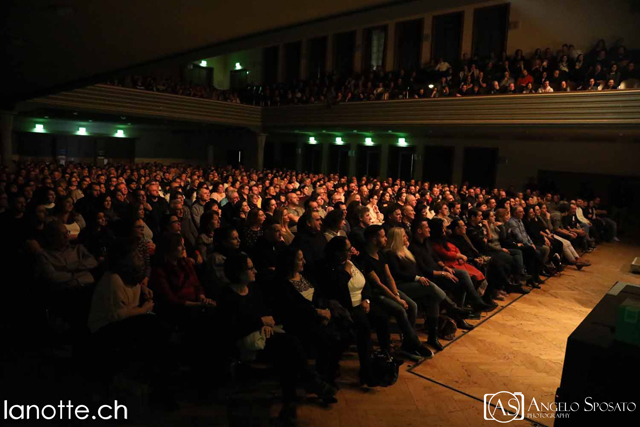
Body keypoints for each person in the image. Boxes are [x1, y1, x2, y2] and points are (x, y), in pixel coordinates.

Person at [217, 253, 337, 422]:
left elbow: (266, 311)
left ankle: (294, 399)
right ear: (238, 272)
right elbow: (231, 327)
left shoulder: (253, 288)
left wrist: (265, 324)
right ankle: (308, 383)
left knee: (288, 353)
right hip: (244, 343)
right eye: (250, 268)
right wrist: (260, 322)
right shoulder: (227, 295)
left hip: (263, 335)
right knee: (290, 345)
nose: (255, 271)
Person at [386, 227, 474, 350]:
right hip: (400, 286)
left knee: (433, 299)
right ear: (397, 238)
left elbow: (417, 269)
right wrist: (417, 278)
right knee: (431, 287)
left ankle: (433, 337)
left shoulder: (406, 251)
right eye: (404, 236)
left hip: (413, 282)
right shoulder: (391, 254)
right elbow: (397, 274)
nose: (407, 237)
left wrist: (420, 277)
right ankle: (453, 308)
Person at [319, 237, 391, 386]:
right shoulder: (328, 267)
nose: (351, 252)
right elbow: (336, 289)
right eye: (348, 249)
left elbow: (365, 283)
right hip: (346, 307)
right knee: (363, 328)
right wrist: (346, 272)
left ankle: (385, 356)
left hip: (362, 302)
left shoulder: (352, 262)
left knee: (382, 317)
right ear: (338, 252)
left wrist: (367, 300)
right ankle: (367, 371)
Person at [360, 225, 433, 360]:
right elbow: (378, 284)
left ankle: (408, 343)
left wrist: (397, 295)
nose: (386, 239)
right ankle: (415, 343)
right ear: (373, 239)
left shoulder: (381, 254)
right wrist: (397, 299)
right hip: (376, 294)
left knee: (412, 306)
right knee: (400, 309)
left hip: (389, 290)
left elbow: (389, 277)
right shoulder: (365, 258)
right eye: (383, 236)